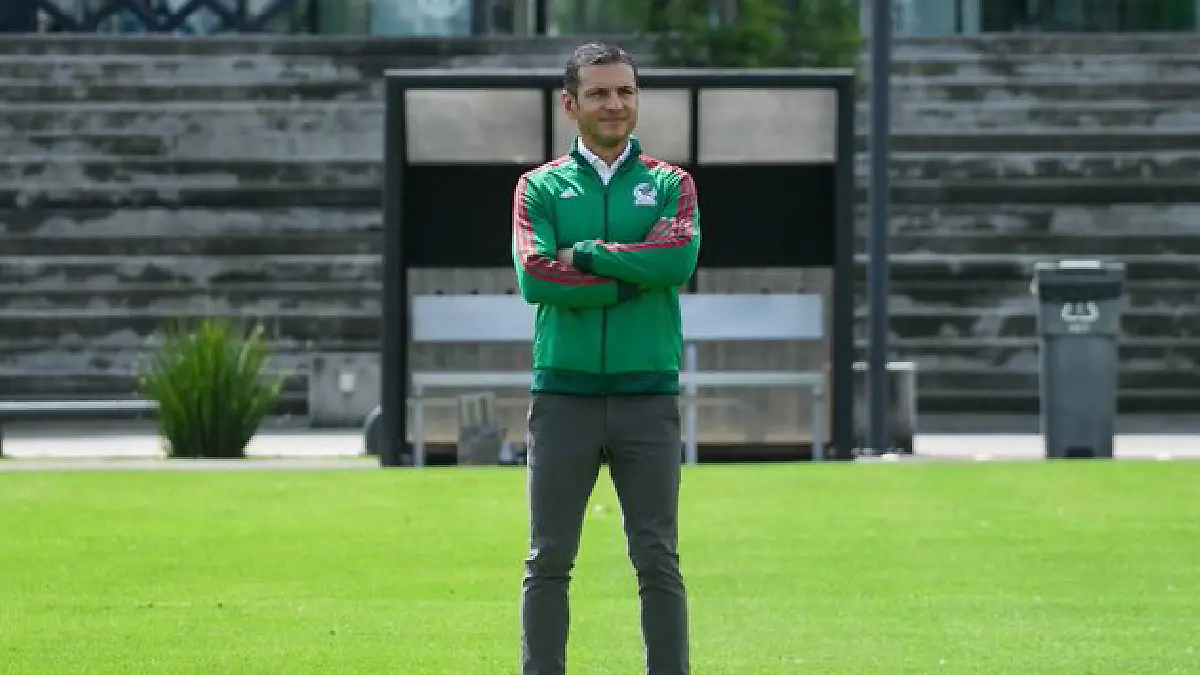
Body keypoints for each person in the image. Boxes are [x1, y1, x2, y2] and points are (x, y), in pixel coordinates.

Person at [510, 42, 701, 675]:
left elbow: (676, 262)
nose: (614, 104)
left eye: (624, 91)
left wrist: (587, 255)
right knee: (549, 558)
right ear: (571, 104)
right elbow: (536, 277)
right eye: (598, 93)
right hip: (563, 396)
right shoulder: (538, 187)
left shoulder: (671, 183)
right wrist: (633, 277)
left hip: (648, 396)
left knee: (657, 557)